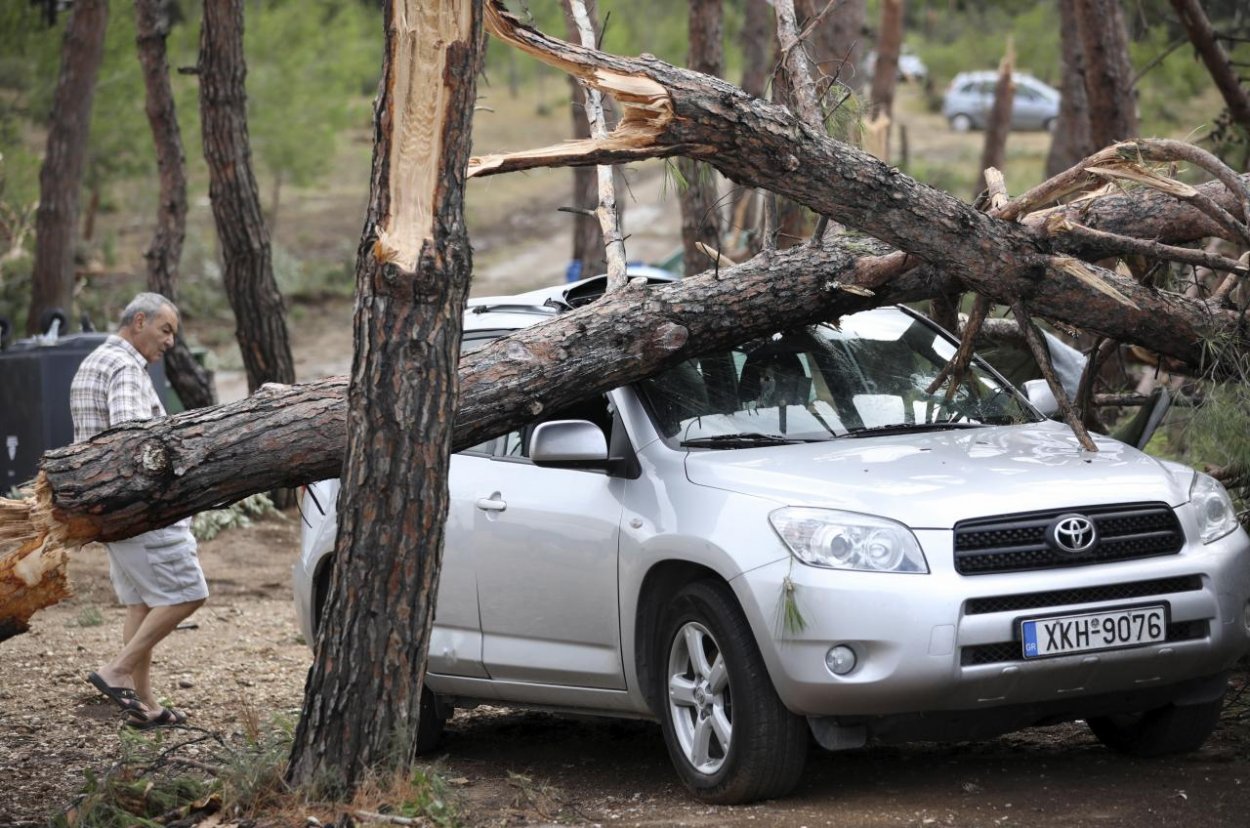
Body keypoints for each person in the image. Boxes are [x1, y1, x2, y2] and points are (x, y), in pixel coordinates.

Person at [71, 292, 207, 730]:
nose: (170, 342)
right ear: (139, 321)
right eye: (165, 330)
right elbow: (135, 440)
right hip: (141, 512)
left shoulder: (94, 361)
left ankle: (145, 705)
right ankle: (117, 670)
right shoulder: (126, 368)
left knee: (143, 604)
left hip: (109, 510)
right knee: (188, 593)